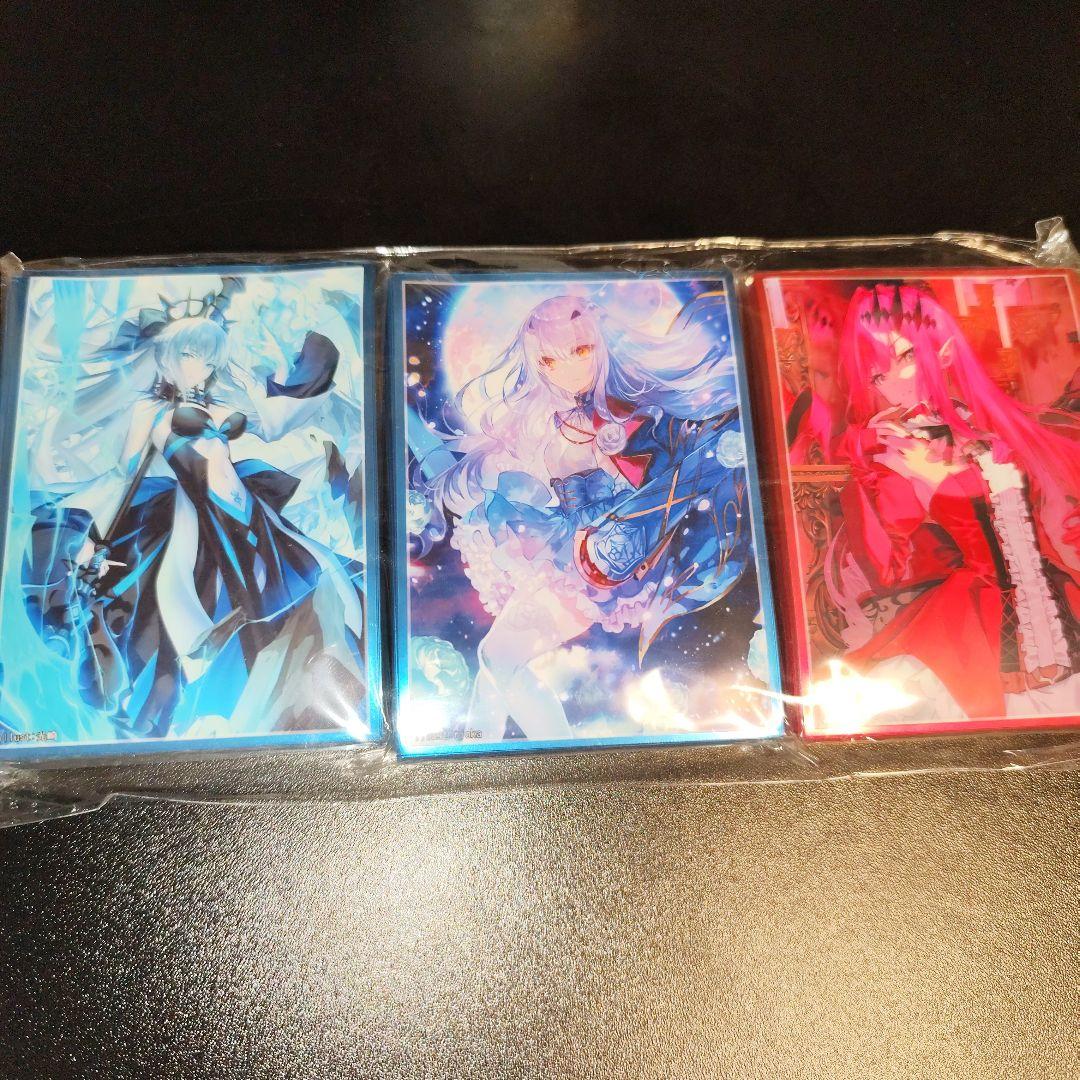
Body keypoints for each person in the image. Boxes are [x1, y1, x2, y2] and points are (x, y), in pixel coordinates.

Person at [23, 298, 366, 738]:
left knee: (289, 567)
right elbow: (127, 471)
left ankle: (270, 653)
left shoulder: (218, 403)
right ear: (167, 357)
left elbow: (270, 425)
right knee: (185, 588)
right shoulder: (148, 410)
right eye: (190, 355)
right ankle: (198, 673)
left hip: (239, 504)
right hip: (189, 508)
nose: (200, 369)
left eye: (208, 361)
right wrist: (94, 530)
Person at [418, 293, 753, 741]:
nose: (567, 368)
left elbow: (665, 474)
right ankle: (474, 748)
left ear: (602, 343)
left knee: (497, 659)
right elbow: (514, 473)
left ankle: (551, 756)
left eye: (580, 350)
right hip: (562, 549)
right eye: (549, 360)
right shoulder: (549, 418)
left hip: (593, 557)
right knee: (492, 662)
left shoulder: (631, 418)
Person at [834, 282, 1080, 720]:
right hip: (977, 623)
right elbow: (887, 569)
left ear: (944, 351)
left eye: (906, 357)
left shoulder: (996, 430)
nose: (895, 384)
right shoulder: (899, 453)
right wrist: (870, 475)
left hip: (1062, 599)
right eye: (877, 375)